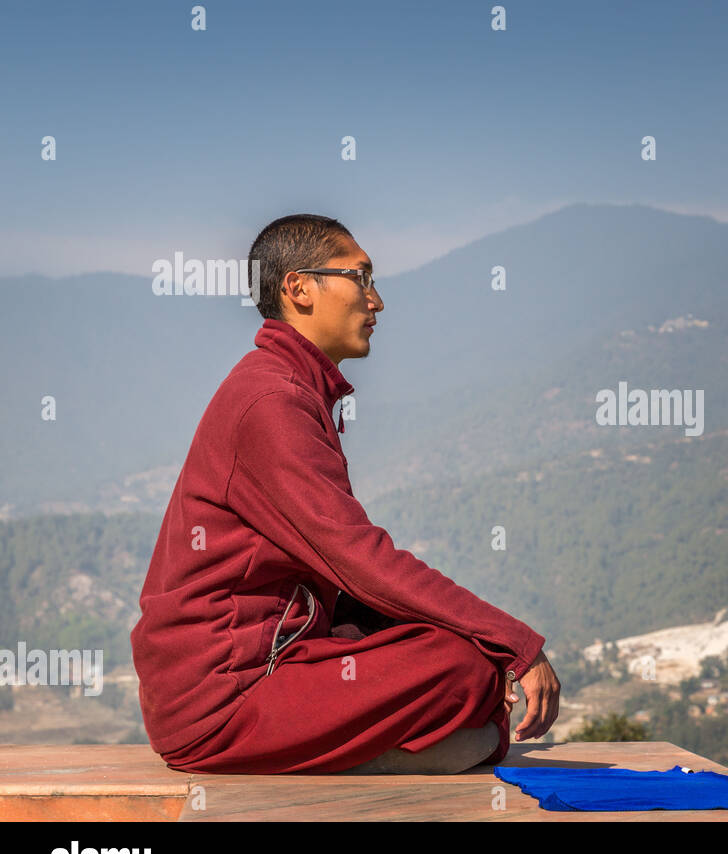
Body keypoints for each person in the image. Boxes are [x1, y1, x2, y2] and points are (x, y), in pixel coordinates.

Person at [131, 213, 560, 774]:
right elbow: (358, 559)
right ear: (299, 288)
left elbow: (340, 578)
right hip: (226, 699)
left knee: (462, 658)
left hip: (272, 666)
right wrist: (512, 642)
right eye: (361, 278)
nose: (376, 301)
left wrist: (470, 639)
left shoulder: (291, 387)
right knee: (464, 670)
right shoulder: (271, 401)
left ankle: (427, 736)